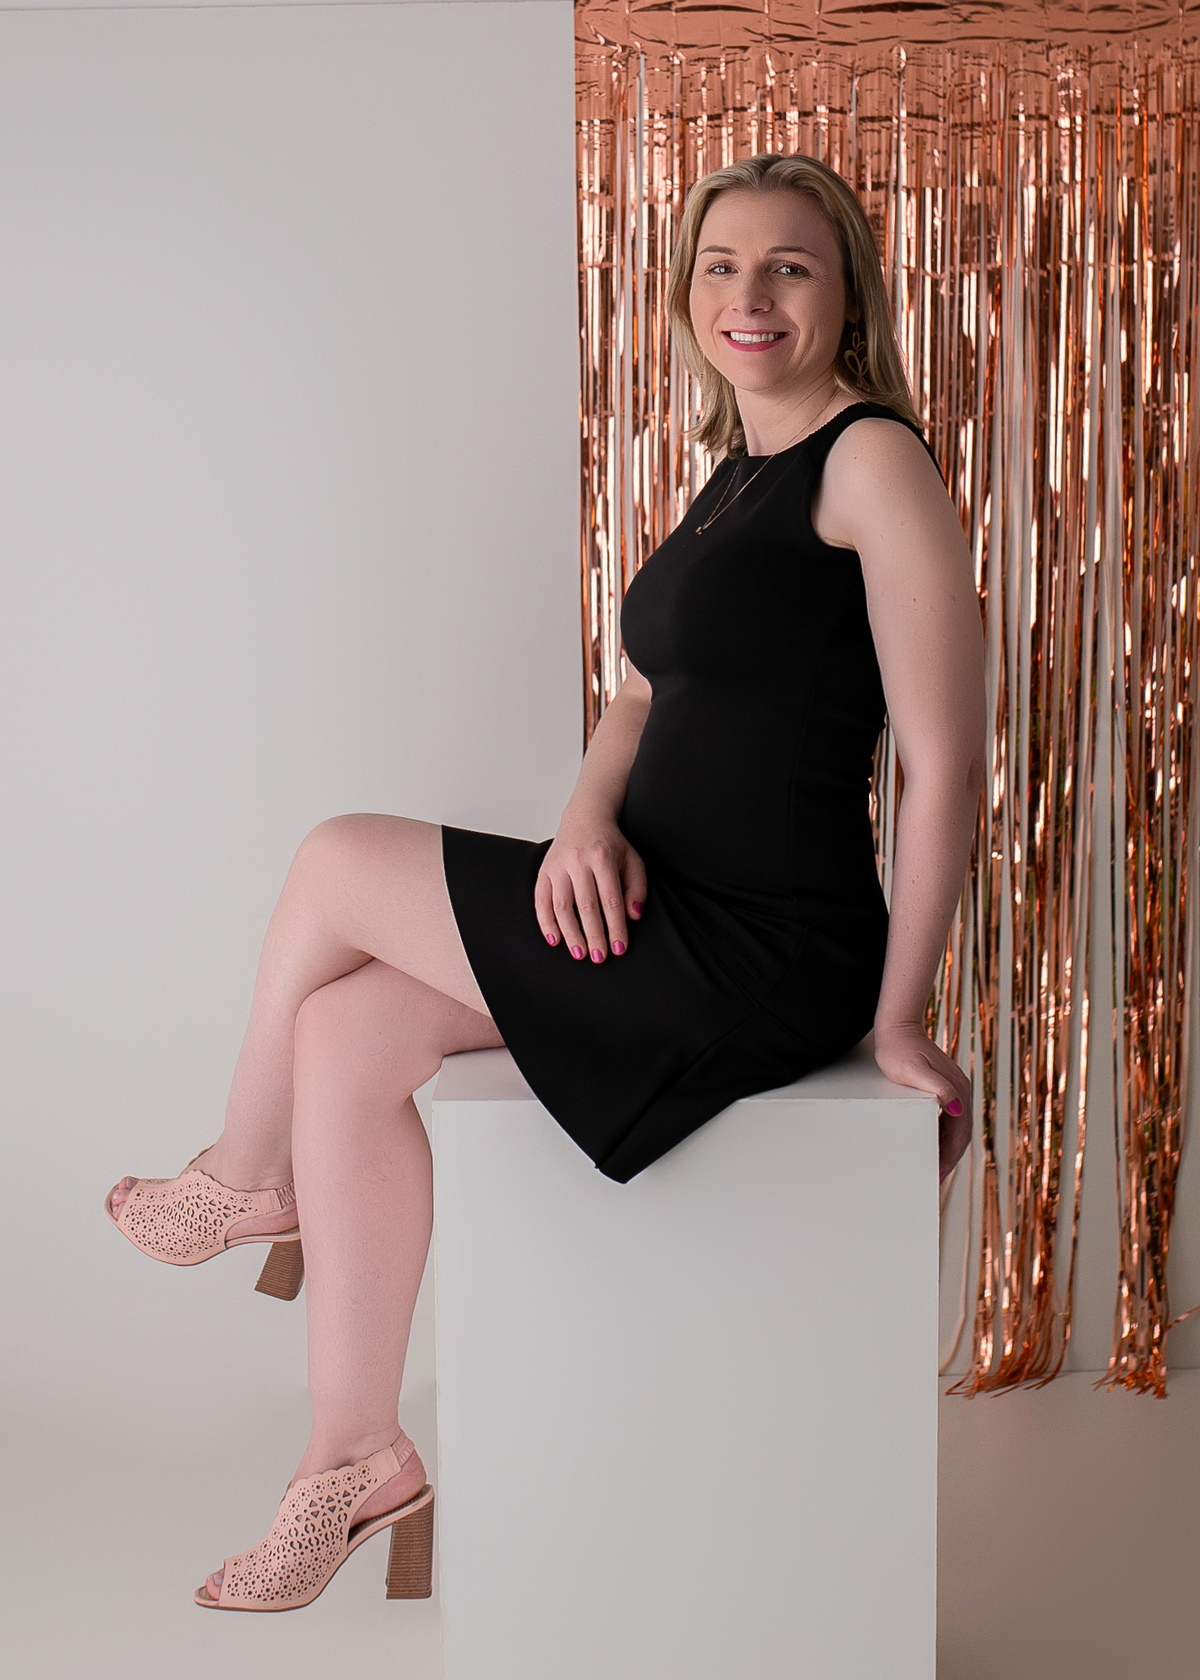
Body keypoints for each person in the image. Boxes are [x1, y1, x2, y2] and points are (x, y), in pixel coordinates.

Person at [105, 151, 987, 1613]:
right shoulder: (736, 476)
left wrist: (899, 1021)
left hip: (761, 947)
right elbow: (644, 692)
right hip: (655, 906)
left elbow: (947, 762)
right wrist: (583, 819)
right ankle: (354, 1456)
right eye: (720, 265)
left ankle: (247, 1182)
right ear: (686, 294)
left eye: (789, 266)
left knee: (334, 862)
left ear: (848, 295)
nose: (750, 294)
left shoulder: (870, 459)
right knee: (345, 1034)